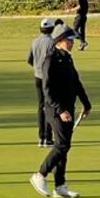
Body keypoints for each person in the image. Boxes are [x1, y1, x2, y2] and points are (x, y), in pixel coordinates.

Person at [29, 25, 92, 198]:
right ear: (59, 41)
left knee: (63, 147)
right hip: (55, 110)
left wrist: (86, 104)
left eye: (72, 40)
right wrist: (61, 110)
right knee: (63, 145)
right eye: (69, 40)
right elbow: (47, 90)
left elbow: (76, 82)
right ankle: (40, 175)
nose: (72, 43)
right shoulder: (50, 60)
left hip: (68, 108)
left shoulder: (67, 58)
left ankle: (60, 186)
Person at [27, 18, 56, 147]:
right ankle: (48, 138)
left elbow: (29, 60)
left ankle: (41, 137)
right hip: (49, 78)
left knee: (41, 107)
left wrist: (37, 67)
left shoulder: (35, 41)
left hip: (37, 77)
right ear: (52, 29)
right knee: (49, 106)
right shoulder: (53, 42)